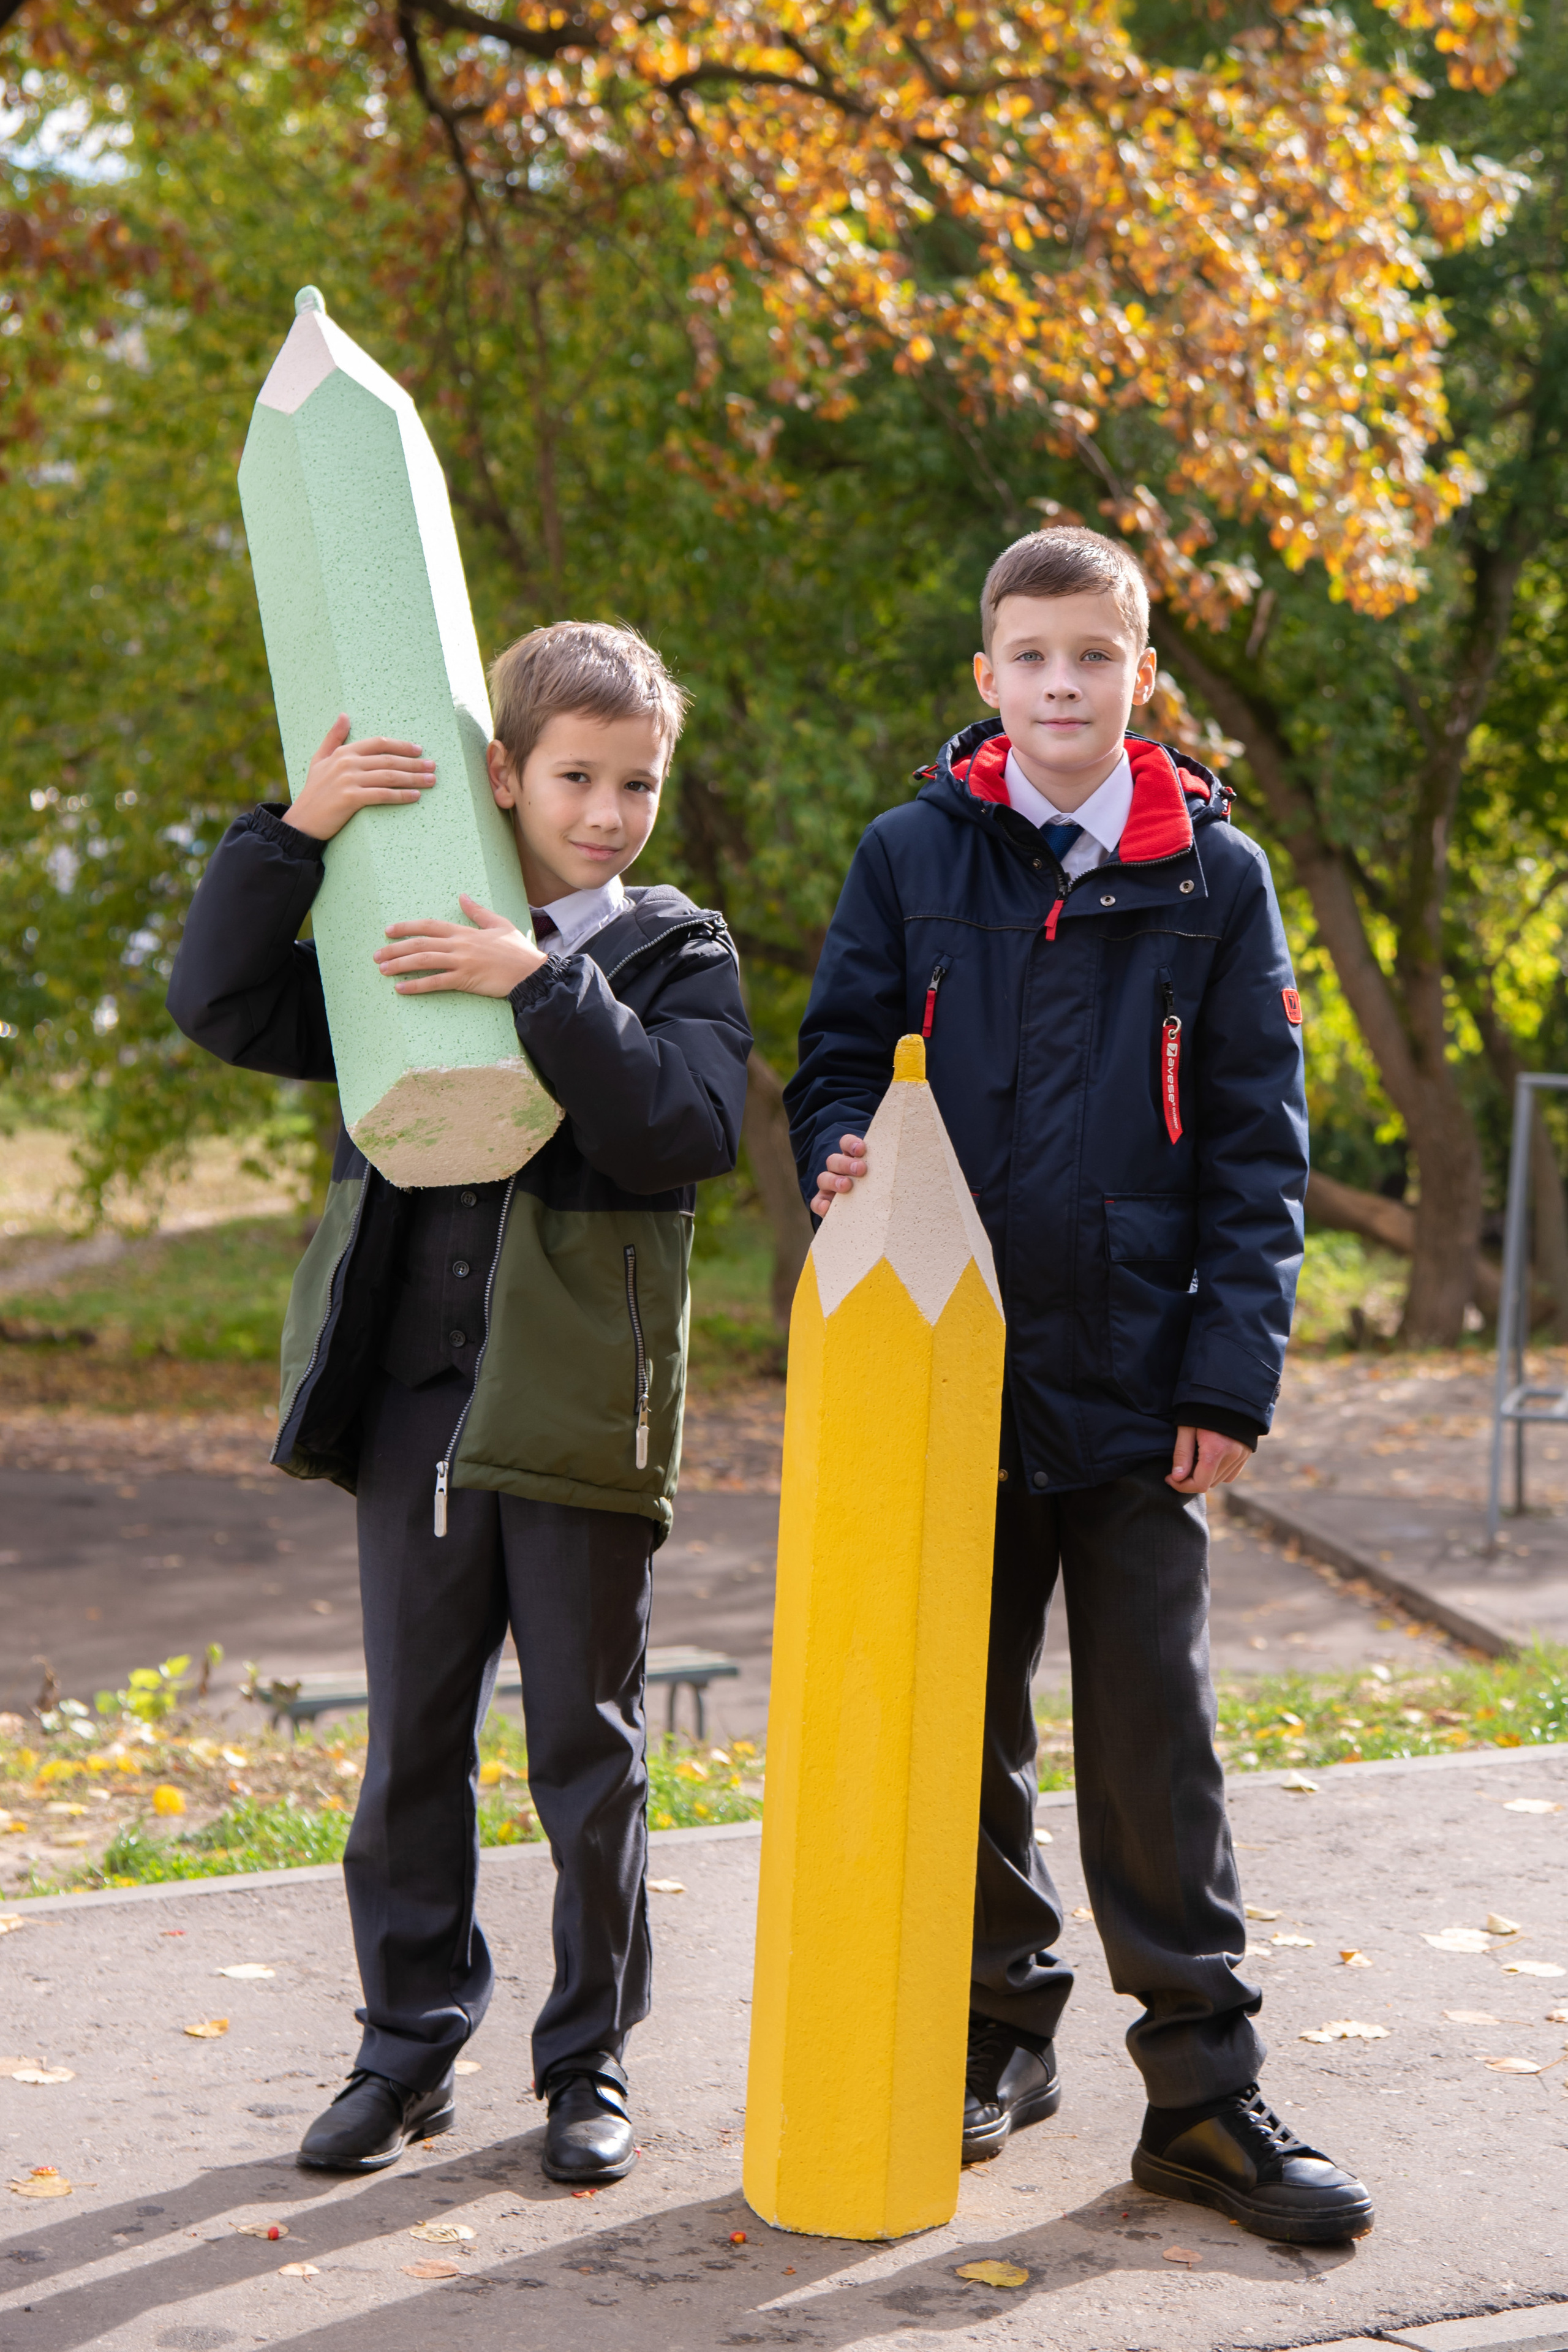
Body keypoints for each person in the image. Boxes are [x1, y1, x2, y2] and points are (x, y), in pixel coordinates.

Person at [785, 527, 1371, 2244]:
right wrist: (837, 1150)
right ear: (987, 675)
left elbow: (1261, 1152)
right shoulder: (911, 856)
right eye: (1031, 656)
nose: (1061, 684)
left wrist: (1231, 1378)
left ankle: (1201, 2097)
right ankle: (996, 2034)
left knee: (1150, 1747)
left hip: (1139, 1381)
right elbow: (836, 1059)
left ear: (1139, 675)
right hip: (940, 1369)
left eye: (1094, 657)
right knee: (957, 1733)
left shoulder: (1219, 879)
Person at [168, 620, 750, 2185]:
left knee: (585, 1744)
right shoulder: (404, 932)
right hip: (421, 1410)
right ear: (505, 775)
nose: (608, 809)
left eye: (635, 782)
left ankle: (588, 2067)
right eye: (576, 776)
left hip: (576, 1414)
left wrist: (542, 980)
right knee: (413, 1745)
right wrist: (295, 833)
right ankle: (403, 2049)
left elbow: (680, 1127)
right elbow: (223, 1004)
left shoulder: (674, 951)